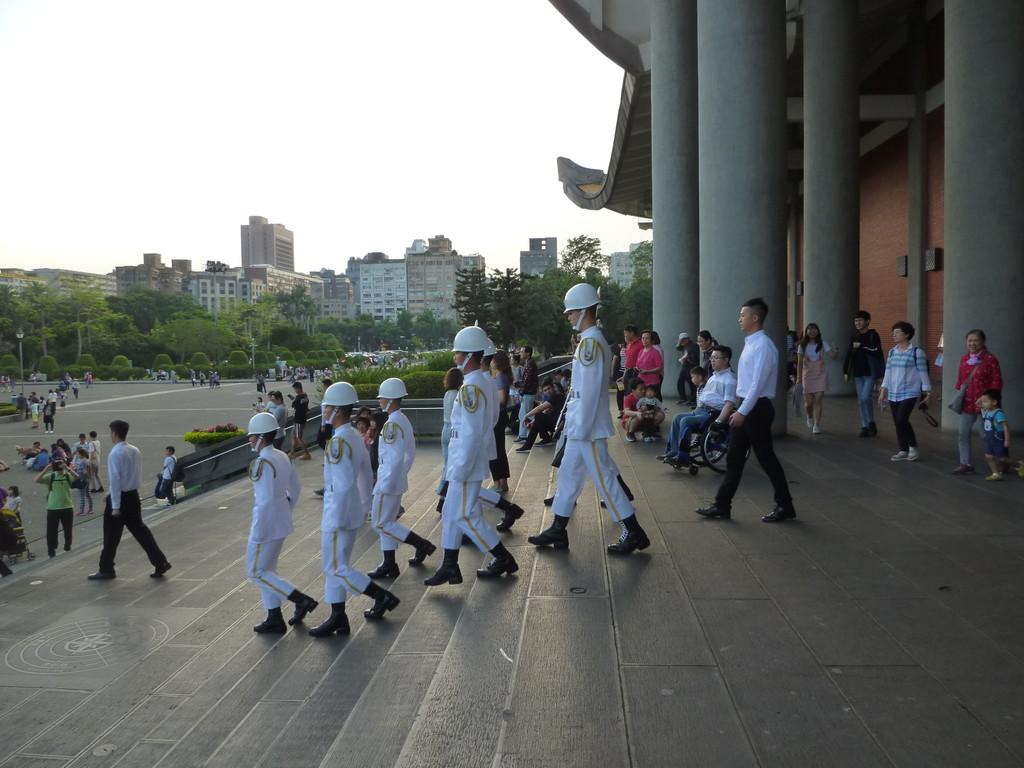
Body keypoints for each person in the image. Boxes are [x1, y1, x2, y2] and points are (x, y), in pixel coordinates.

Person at [529, 283, 651, 553]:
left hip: (587, 428)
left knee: (604, 478)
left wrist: (580, 428)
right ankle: (558, 528)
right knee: (568, 475)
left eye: (571, 312)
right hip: (581, 426)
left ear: (584, 311)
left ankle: (634, 531)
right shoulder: (590, 341)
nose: (568, 316)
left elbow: (589, 391)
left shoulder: (591, 344)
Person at [425, 325, 519, 586]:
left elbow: (471, 432)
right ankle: (450, 565)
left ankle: (502, 557)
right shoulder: (483, 382)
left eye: (458, 353)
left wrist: (461, 467)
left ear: (468, 356)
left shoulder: (471, 388)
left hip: (465, 462)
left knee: (466, 515)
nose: (455, 357)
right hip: (467, 459)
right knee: (452, 511)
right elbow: (491, 420)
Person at [309, 382, 401, 637]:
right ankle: (338, 616)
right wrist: (362, 505)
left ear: (337, 410)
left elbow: (340, 484)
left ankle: (381, 596)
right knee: (336, 566)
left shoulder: (339, 442)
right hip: (349, 510)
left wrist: (336, 517)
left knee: (335, 567)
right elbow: (365, 474)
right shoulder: (352, 437)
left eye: (327, 406)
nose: (324, 411)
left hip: (338, 512)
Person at [696, 298, 796, 523]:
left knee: (766, 458)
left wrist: (743, 411)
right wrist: (741, 409)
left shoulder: (763, 346)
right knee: (734, 458)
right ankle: (722, 505)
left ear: (755, 318)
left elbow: (757, 384)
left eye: (743, 315)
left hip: (756, 408)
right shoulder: (751, 343)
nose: (739, 319)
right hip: (748, 406)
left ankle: (785, 505)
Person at [241, 412, 319, 633]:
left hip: (265, 524)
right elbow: (295, 488)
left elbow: (264, 501)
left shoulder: (262, 462)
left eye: (252, 436)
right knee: (268, 571)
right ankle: (274, 616)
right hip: (281, 519)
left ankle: (299, 599)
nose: (250, 440)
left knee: (256, 572)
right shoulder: (282, 456)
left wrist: (258, 531)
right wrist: (286, 508)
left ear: (260, 437)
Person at [366, 377, 435, 579]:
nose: (379, 401)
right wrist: (400, 474)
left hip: (388, 481)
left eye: (382, 398)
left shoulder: (392, 425)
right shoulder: (401, 420)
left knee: (380, 523)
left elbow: (394, 458)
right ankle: (389, 564)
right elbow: (409, 454)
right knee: (386, 522)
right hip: (394, 479)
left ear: (390, 400)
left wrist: (385, 484)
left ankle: (421, 545)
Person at [87, 420, 172, 580]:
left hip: (120, 498)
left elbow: (115, 480)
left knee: (111, 536)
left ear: (115, 434)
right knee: (141, 532)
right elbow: (133, 475)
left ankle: (106, 568)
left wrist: (115, 505)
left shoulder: (115, 453)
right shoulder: (134, 450)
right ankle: (161, 562)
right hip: (133, 495)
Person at [660, 347, 737, 467]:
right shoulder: (713, 377)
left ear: (726, 360)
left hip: (712, 414)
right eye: (711, 357)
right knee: (676, 418)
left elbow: (729, 404)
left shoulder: (730, 380)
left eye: (716, 358)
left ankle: (683, 457)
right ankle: (673, 451)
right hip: (700, 410)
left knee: (685, 421)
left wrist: (718, 422)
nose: (712, 360)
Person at [951, 329, 1003, 475]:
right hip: (967, 403)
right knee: (963, 434)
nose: (972, 343)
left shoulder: (990, 359)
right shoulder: (964, 359)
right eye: (969, 341)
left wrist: (989, 399)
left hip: (985, 405)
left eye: (975, 340)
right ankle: (965, 463)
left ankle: (999, 462)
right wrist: (959, 394)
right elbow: (961, 380)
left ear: (982, 342)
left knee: (987, 436)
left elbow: (997, 381)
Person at [879, 321, 932, 462]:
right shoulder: (892, 352)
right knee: (898, 422)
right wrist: (883, 390)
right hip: (893, 392)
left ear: (907, 334)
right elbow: (888, 372)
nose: (894, 335)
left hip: (910, 392)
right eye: (893, 333)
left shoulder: (916, 352)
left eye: (897, 332)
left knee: (902, 419)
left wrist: (927, 392)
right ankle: (903, 449)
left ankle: (913, 446)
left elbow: (923, 372)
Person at [842, 310, 885, 437]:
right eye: (856, 321)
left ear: (867, 321)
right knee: (861, 400)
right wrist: (845, 370)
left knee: (866, 397)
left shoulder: (873, 335)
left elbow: (877, 351)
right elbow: (849, 354)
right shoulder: (854, 337)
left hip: (870, 372)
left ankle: (870, 422)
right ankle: (865, 426)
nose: (857, 323)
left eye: (860, 320)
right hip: (858, 372)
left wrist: (862, 347)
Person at [796, 322, 838, 434]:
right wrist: (798, 378)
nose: (812, 331)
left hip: (820, 374)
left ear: (818, 331)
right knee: (808, 403)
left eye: (814, 329)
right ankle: (809, 416)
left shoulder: (822, 343)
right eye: (809, 329)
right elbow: (799, 363)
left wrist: (835, 350)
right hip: (807, 375)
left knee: (818, 399)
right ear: (806, 332)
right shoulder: (802, 345)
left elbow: (833, 356)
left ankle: (816, 425)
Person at [36, 456, 77, 557]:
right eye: (58, 464)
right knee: (51, 530)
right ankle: (51, 549)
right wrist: (46, 469)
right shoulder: (51, 476)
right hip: (53, 508)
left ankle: (68, 544)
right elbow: (37, 480)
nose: (60, 466)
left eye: (62, 463)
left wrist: (68, 468)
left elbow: (77, 477)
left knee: (68, 528)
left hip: (67, 506)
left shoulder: (68, 475)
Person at [977, 388, 1019, 481]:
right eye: (983, 401)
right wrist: (983, 398)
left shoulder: (998, 413)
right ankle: (995, 473)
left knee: (1002, 458)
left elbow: (1005, 427)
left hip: (998, 439)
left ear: (994, 402)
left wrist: (1007, 440)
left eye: (985, 401)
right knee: (989, 456)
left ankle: (1019, 465)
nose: (983, 403)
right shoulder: (986, 411)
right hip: (990, 439)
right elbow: (978, 403)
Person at [515, 378, 565, 451]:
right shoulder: (553, 398)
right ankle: (528, 445)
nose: (548, 391)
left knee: (538, 415)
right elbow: (545, 411)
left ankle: (546, 439)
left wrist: (526, 415)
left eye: (549, 388)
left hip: (559, 424)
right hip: (556, 422)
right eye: (545, 390)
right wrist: (533, 422)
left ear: (553, 387)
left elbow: (540, 408)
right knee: (538, 417)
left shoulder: (557, 396)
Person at [489, 350, 513, 495]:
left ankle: (498, 482)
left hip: (497, 416)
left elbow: (502, 399)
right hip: (501, 416)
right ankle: (503, 482)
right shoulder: (502, 376)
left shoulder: (499, 377)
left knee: (494, 450)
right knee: (500, 450)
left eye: (492, 359)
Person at [437, 367, 463, 493]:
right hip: (454, 430)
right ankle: (445, 488)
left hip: (445, 428)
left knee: (446, 461)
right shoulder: (458, 395)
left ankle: (442, 487)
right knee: (452, 462)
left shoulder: (447, 394)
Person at [514, 347, 539, 442]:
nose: (520, 353)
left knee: (525, 414)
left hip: (528, 393)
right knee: (523, 414)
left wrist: (521, 391)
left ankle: (524, 436)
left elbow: (527, 381)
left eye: (522, 351)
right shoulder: (529, 363)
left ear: (527, 353)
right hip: (528, 393)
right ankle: (523, 435)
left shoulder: (530, 364)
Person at [617, 324, 643, 414]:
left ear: (632, 332)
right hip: (628, 372)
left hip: (636, 372)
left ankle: (635, 412)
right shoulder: (629, 344)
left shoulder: (641, 344)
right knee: (625, 392)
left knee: (634, 393)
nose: (625, 335)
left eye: (626, 333)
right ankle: (626, 411)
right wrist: (624, 375)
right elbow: (628, 361)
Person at [636, 330, 665, 400]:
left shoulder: (655, 352)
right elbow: (637, 365)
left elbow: (659, 368)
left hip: (652, 383)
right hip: (641, 381)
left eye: (647, 338)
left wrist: (647, 371)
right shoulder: (641, 351)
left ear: (651, 340)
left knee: (652, 402)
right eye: (643, 338)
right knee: (642, 402)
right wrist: (637, 368)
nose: (644, 340)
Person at [287, 382, 312, 460]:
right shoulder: (305, 396)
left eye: (295, 389)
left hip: (298, 420)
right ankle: (292, 452)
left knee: (298, 437)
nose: (295, 390)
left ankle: (307, 454)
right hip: (302, 418)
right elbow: (301, 404)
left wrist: (293, 399)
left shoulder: (298, 398)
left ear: (298, 388)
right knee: (293, 435)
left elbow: (294, 404)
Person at [675, 333, 698, 405]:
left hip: (691, 366)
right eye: (681, 340)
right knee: (680, 381)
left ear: (688, 339)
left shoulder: (693, 346)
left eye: (684, 340)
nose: (683, 341)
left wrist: (687, 359)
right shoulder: (684, 346)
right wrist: (679, 342)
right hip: (685, 366)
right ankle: (683, 398)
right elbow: (678, 348)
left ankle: (693, 400)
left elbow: (695, 358)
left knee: (692, 383)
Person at [72, 448, 93, 516]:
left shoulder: (83, 461)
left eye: (78, 454)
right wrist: (89, 478)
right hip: (87, 480)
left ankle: (82, 511)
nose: (78, 455)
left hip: (82, 480)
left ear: (82, 454)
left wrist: (80, 476)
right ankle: (90, 509)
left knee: (81, 496)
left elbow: (85, 471)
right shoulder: (87, 460)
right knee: (88, 494)